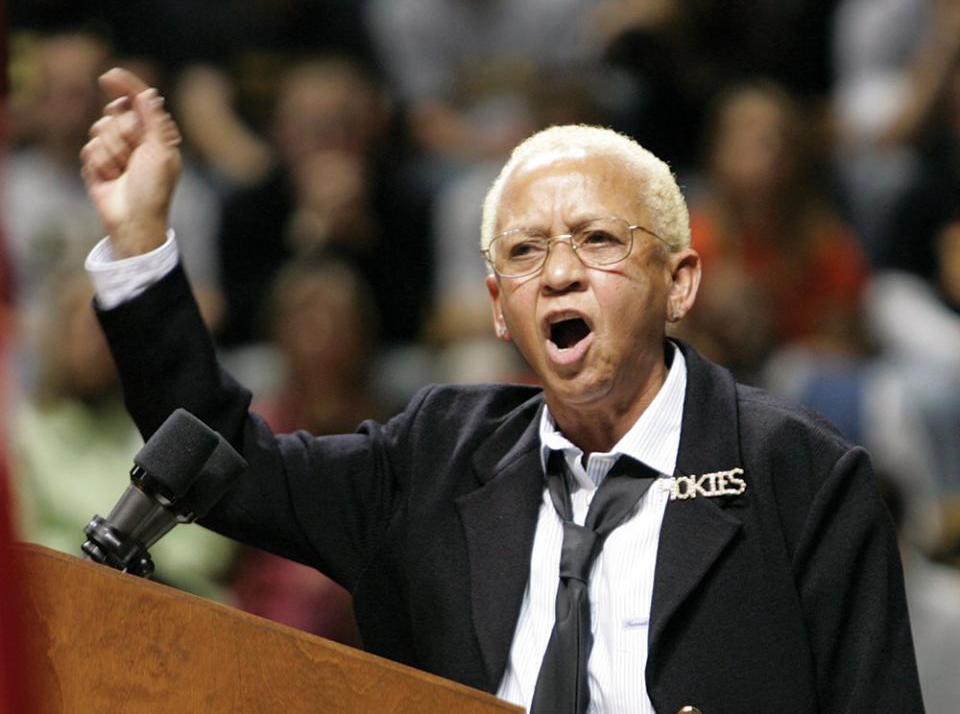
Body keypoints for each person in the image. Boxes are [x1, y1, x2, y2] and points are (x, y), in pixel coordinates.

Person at [80, 68, 923, 713]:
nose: (558, 273)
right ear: (497, 308)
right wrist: (141, 238)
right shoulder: (435, 458)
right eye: (524, 252)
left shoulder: (796, 474)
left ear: (680, 284)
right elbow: (221, 460)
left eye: (598, 240)